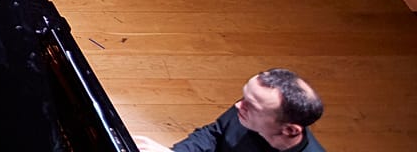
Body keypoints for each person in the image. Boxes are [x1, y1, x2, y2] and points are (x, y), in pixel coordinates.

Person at [134, 69, 325, 152]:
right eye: (244, 97)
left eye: (251, 105)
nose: (237, 106)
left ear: (290, 130)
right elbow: (214, 133)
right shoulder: (247, 111)